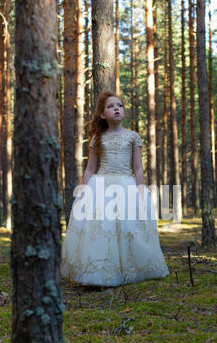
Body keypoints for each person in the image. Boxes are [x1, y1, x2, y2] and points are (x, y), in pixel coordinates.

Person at [60, 91, 170, 287]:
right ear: (102, 115)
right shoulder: (97, 138)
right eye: (110, 106)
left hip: (126, 186)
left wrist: (141, 190)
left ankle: (126, 270)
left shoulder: (133, 137)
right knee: (102, 229)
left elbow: (137, 167)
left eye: (119, 105)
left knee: (127, 228)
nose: (116, 108)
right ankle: (99, 273)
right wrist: (83, 191)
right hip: (100, 187)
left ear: (124, 111)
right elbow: (90, 168)